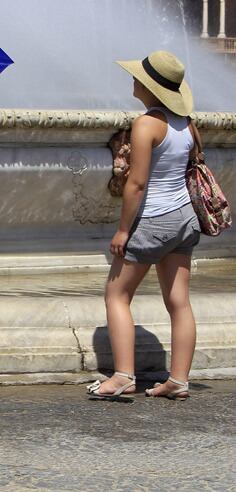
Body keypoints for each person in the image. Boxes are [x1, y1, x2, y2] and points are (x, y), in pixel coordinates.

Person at [87, 51, 201, 401]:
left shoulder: (146, 124)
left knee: (117, 295)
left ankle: (122, 376)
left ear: (151, 87)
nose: (133, 81)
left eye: (138, 78)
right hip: (184, 218)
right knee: (179, 301)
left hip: (152, 221)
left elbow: (136, 184)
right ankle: (178, 380)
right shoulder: (187, 123)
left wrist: (123, 231)